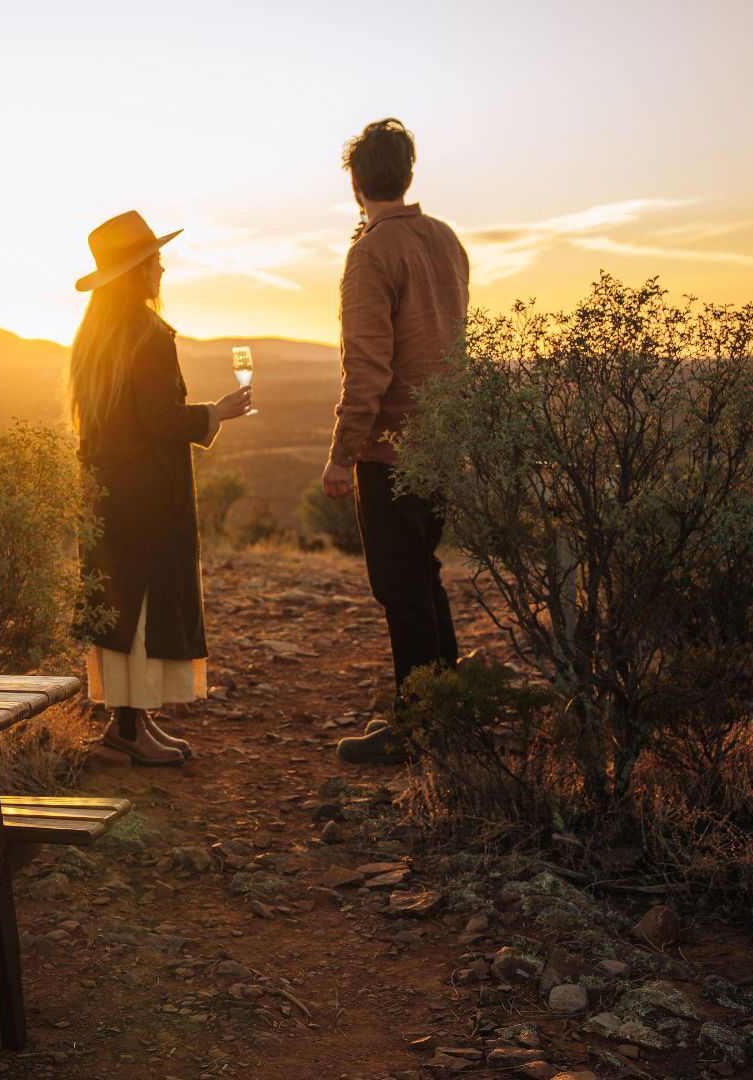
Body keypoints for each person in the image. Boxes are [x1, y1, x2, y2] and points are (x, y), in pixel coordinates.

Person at [70, 210, 252, 765]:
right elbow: (159, 418)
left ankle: (128, 724)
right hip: (147, 494)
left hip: (106, 493)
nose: (163, 268)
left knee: (120, 604)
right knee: (144, 606)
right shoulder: (148, 334)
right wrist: (215, 412)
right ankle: (129, 729)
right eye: (155, 260)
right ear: (138, 271)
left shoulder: (95, 336)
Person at [318, 119, 470, 764]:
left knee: (401, 587)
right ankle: (447, 716)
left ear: (355, 184)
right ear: (408, 175)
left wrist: (342, 451)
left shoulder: (371, 254)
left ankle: (417, 731)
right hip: (443, 441)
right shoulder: (445, 240)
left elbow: (369, 367)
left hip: (392, 447)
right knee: (424, 577)